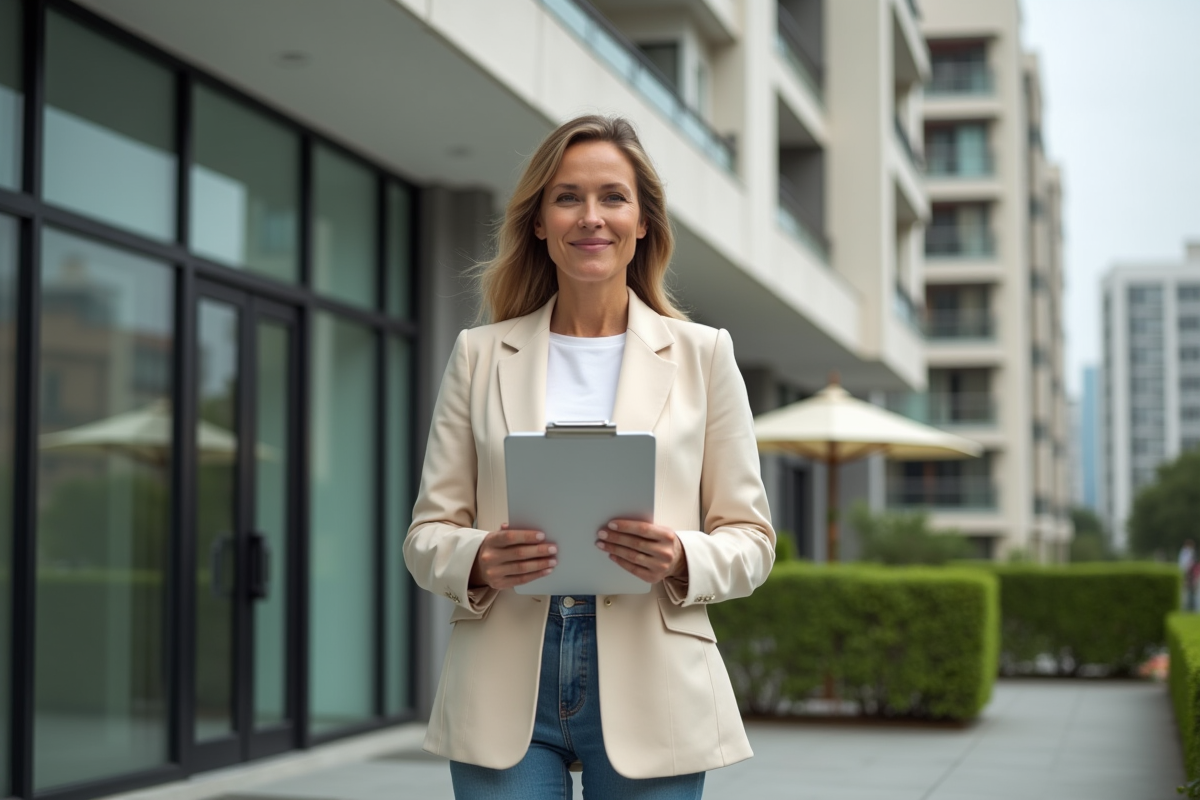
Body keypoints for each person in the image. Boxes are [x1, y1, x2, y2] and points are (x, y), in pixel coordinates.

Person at [404, 115, 775, 800]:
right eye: (567, 196)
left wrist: (681, 556)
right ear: (539, 221)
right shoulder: (478, 355)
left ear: (642, 223)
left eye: (613, 197)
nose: (591, 217)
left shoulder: (704, 356)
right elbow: (426, 535)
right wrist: (478, 558)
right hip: (505, 676)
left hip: (654, 678)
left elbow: (752, 541)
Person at [1181, 539, 1197, 611]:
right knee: (1189, 589)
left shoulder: (1186, 552)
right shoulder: (1187, 552)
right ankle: (1190, 606)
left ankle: (1190, 605)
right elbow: (1186, 564)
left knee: (1190, 589)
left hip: (1188, 572)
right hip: (1188, 572)